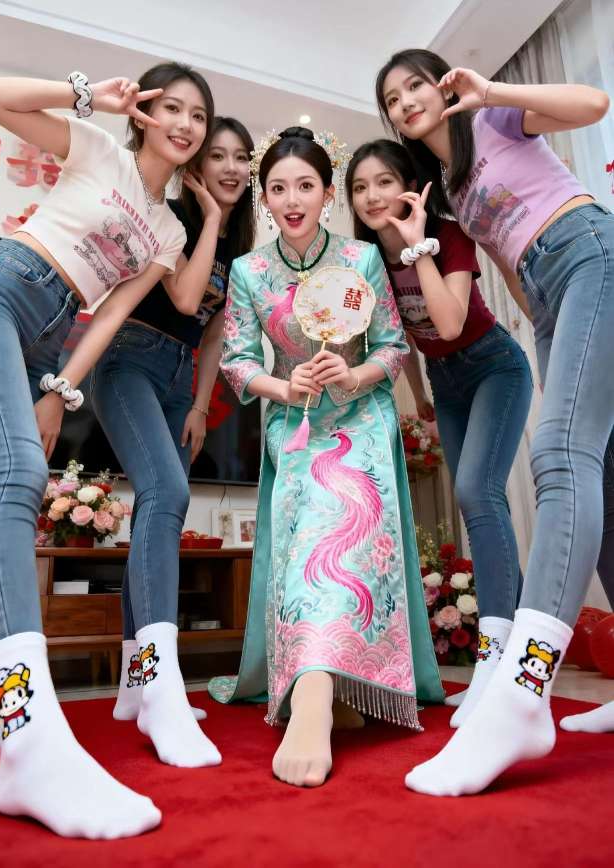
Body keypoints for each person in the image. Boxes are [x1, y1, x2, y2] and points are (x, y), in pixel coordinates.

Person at [0, 61, 219, 837]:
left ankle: (14, 717)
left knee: (1, 490)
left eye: (198, 115)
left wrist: (61, 389)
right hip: (4, 286)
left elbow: (113, 313)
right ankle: (29, 736)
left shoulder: (171, 230)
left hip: (51, 334)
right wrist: (85, 95)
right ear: (144, 111)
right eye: (171, 107)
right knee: (15, 476)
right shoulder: (98, 149)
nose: (184, 124)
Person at [375, 47, 612, 795]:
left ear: (442, 86)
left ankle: (523, 694)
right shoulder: (449, 186)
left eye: (415, 85)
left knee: (560, 455)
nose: (406, 102)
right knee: (601, 475)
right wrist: (544, 334)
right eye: (392, 98)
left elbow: (593, 106)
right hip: (550, 294)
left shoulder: (493, 120)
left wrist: (493, 91)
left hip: (589, 253)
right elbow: (507, 261)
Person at [208, 126, 444, 788]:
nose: (292, 200)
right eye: (278, 188)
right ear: (263, 197)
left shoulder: (361, 259)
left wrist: (355, 375)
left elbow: (392, 347)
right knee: (309, 544)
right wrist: (285, 387)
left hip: (361, 421)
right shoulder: (250, 272)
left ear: (326, 193)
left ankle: (327, 688)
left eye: (305, 186)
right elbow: (236, 362)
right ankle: (318, 686)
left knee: (350, 536)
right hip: (294, 426)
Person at [347, 139, 532, 727]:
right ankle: (511, 656)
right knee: (477, 501)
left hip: (495, 367)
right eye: (360, 187)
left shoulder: (447, 236)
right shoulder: (367, 262)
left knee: (479, 493)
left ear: (411, 187)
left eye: (384, 181)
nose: (372, 196)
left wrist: (416, 245)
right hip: (445, 384)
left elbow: (449, 322)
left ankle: (496, 662)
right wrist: (422, 398)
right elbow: (399, 336)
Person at [94, 117, 255, 759]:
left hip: (177, 377)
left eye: (241, 157)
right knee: (167, 494)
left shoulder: (238, 248)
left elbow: (212, 333)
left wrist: (199, 404)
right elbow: (185, 301)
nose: (231, 167)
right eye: (218, 155)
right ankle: (160, 681)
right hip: (128, 358)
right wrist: (211, 216)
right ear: (196, 167)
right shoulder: (175, 217)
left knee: (153, 512)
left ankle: (134, 686)